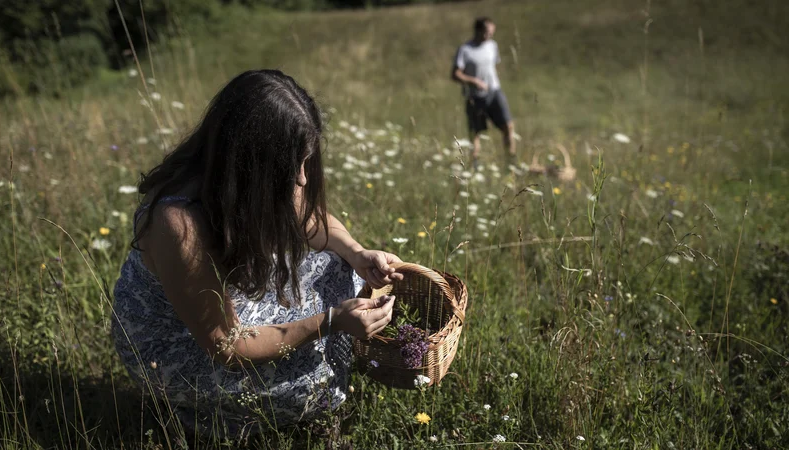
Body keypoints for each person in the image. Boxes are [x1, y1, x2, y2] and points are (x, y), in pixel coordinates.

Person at [111, 69, 403, 441]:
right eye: (293, 166)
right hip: (177, 343)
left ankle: (235, 407)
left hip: (225, 308)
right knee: (310, 383)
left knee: (349, 273)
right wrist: (328, 322)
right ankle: (199, 416)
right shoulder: (177, 223)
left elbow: (307, 218)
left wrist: (359, 252)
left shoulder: (251, 178)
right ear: (251, 161)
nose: (301, 178)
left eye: (305, 162)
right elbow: (228, 344)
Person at [451, 17, 515, 169]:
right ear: (478, 30)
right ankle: (475, 165)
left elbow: (492, 66)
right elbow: (455, 74)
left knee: (508, 125)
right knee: (476, 132)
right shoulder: (465, 50)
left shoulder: (492, 46)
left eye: (492, 32)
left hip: (494, 91)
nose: (490, 35)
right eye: (487, 32)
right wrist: (473, 81)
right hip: (474, 96)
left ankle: (511, 162)